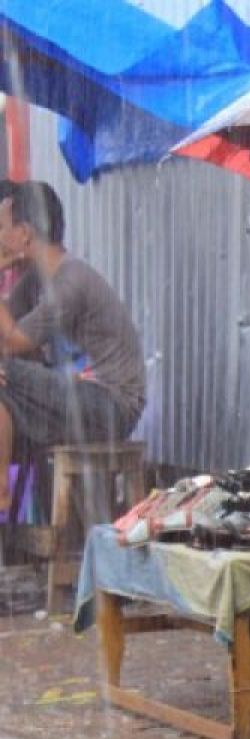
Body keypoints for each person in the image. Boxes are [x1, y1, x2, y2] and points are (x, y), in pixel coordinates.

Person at [0, 181, 146, 507]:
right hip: (76, 397)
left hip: (110, 407)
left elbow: (11, 342)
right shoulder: (36, 280)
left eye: (1, 228)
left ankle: (1, 491)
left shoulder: (70, 281)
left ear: (24, 234)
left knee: (5, 372)